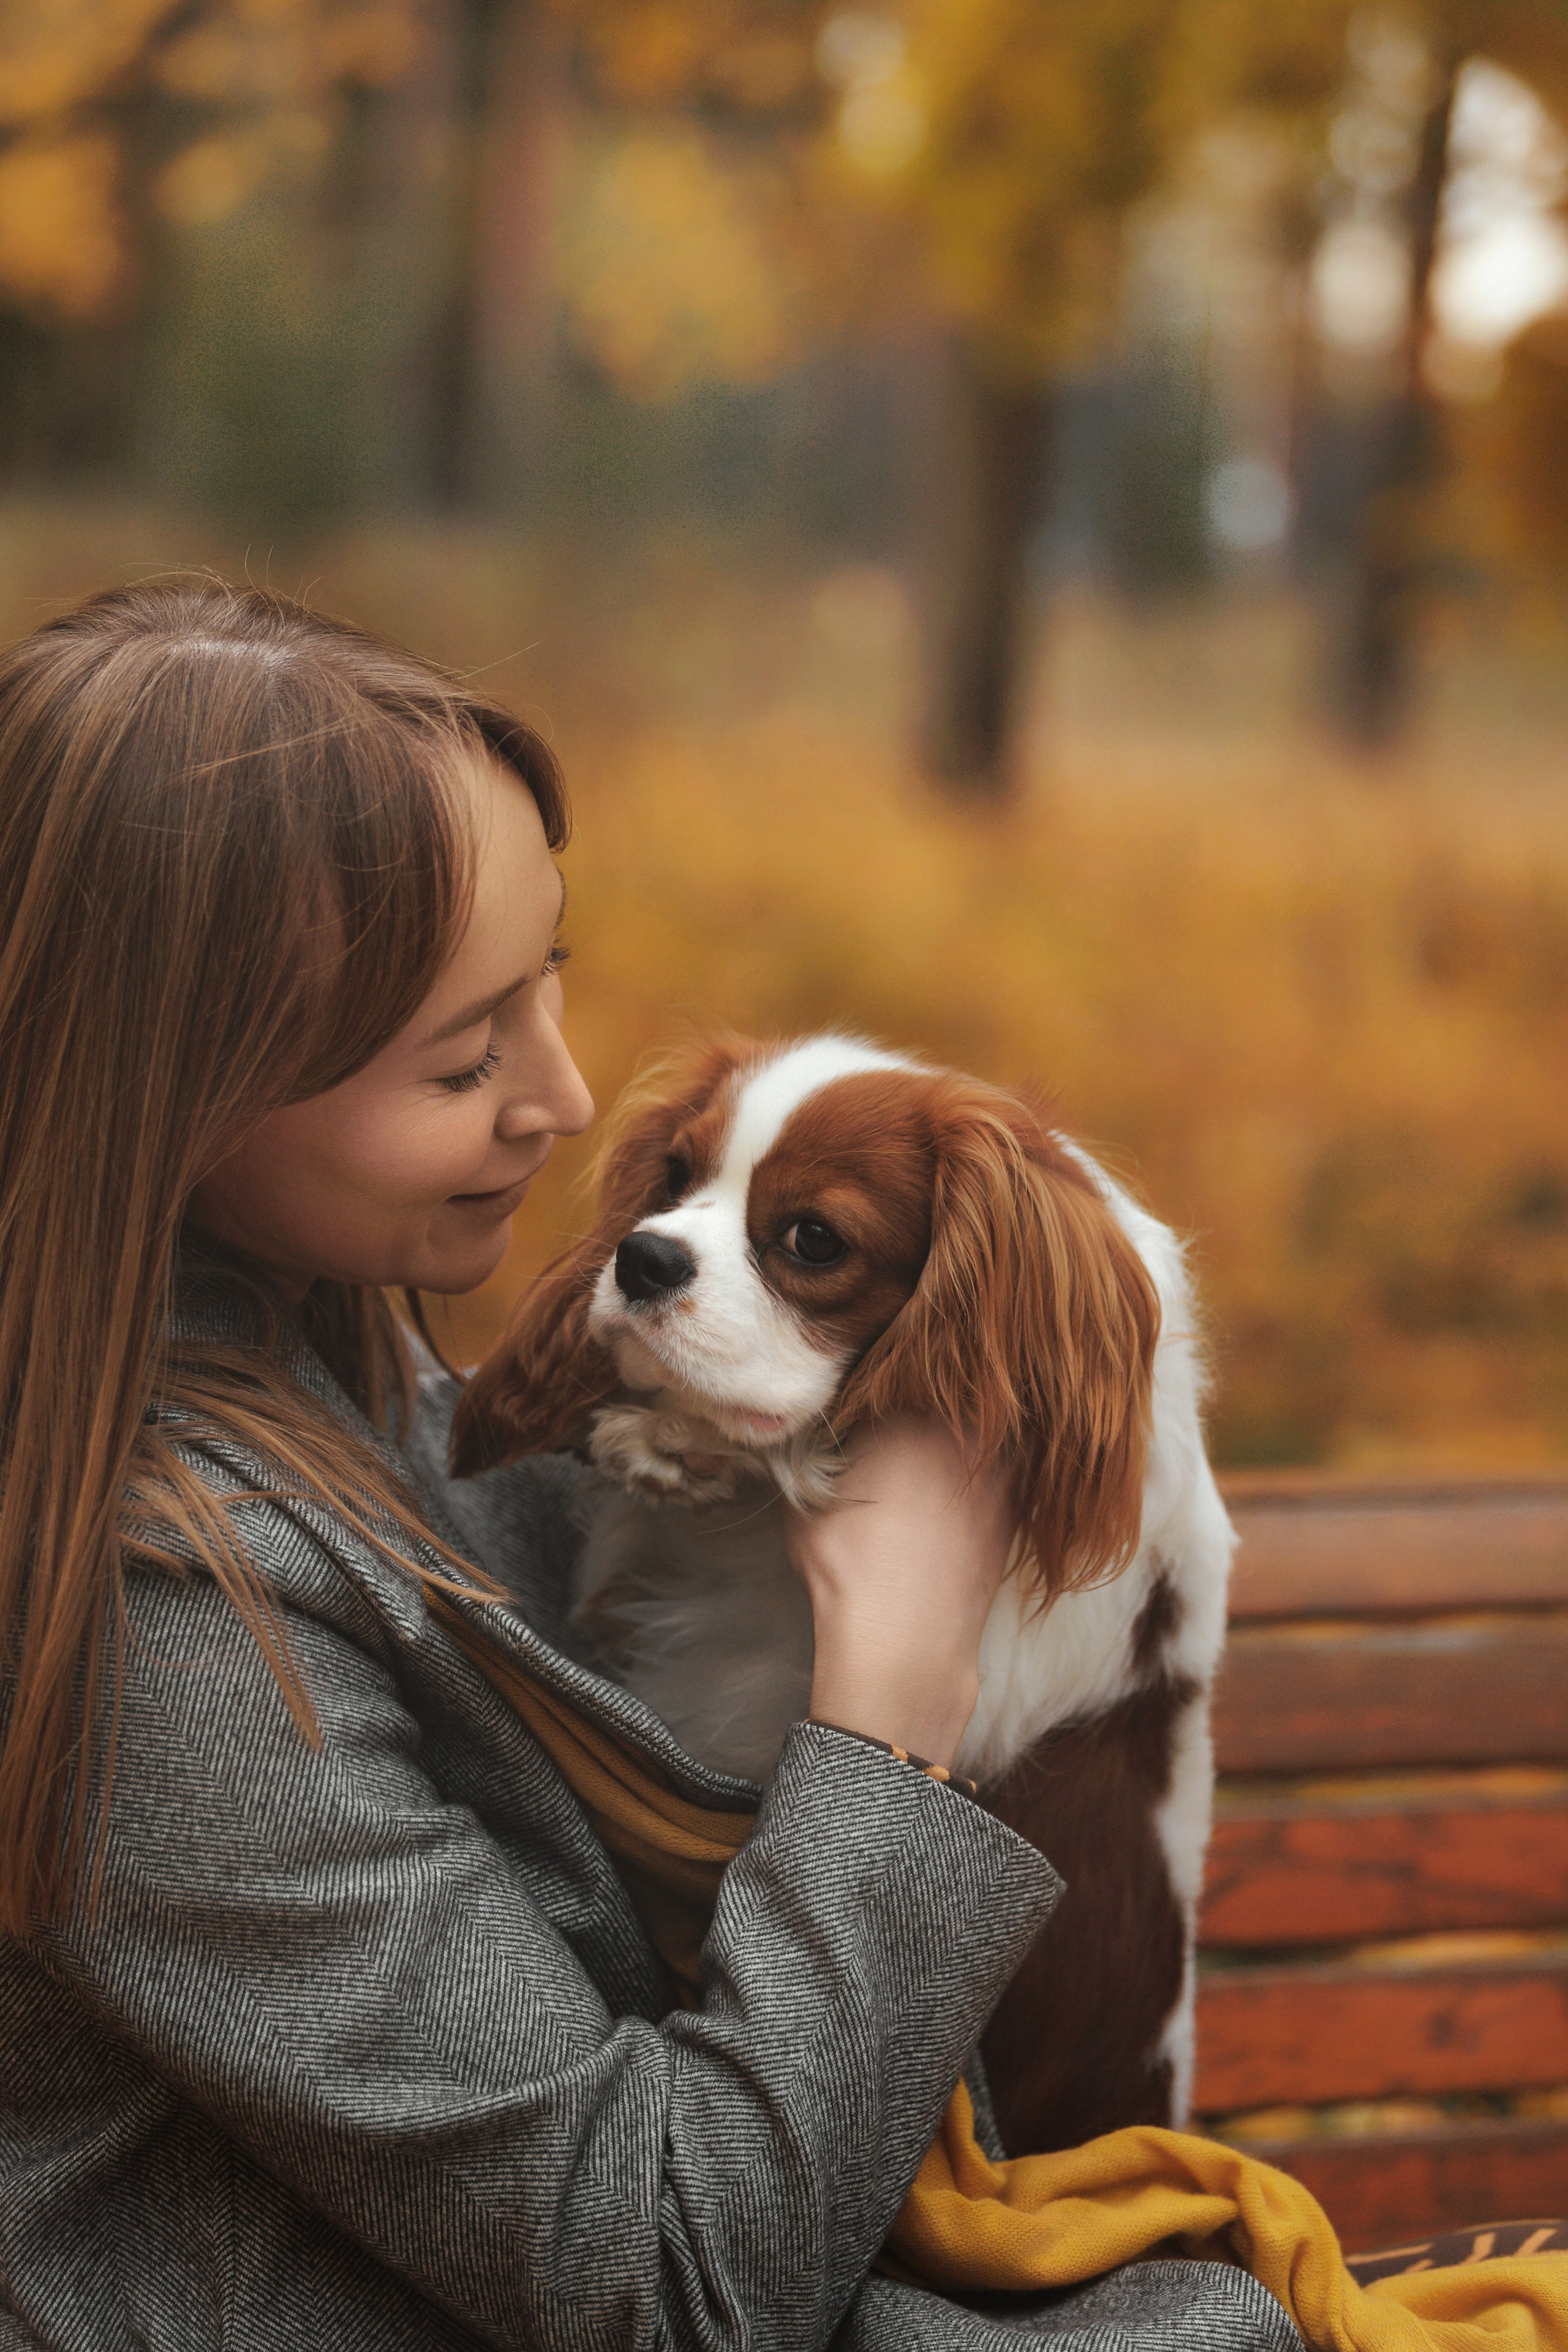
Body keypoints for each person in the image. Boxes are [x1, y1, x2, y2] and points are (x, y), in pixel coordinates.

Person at [0, 582, 1300, 2352]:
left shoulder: (316, 1352)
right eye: (465, 1057)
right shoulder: (156, 1612)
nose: (560, 1097)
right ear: (177, 1095)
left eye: (548, 981)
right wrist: (891, 1717)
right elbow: (679, 2283)